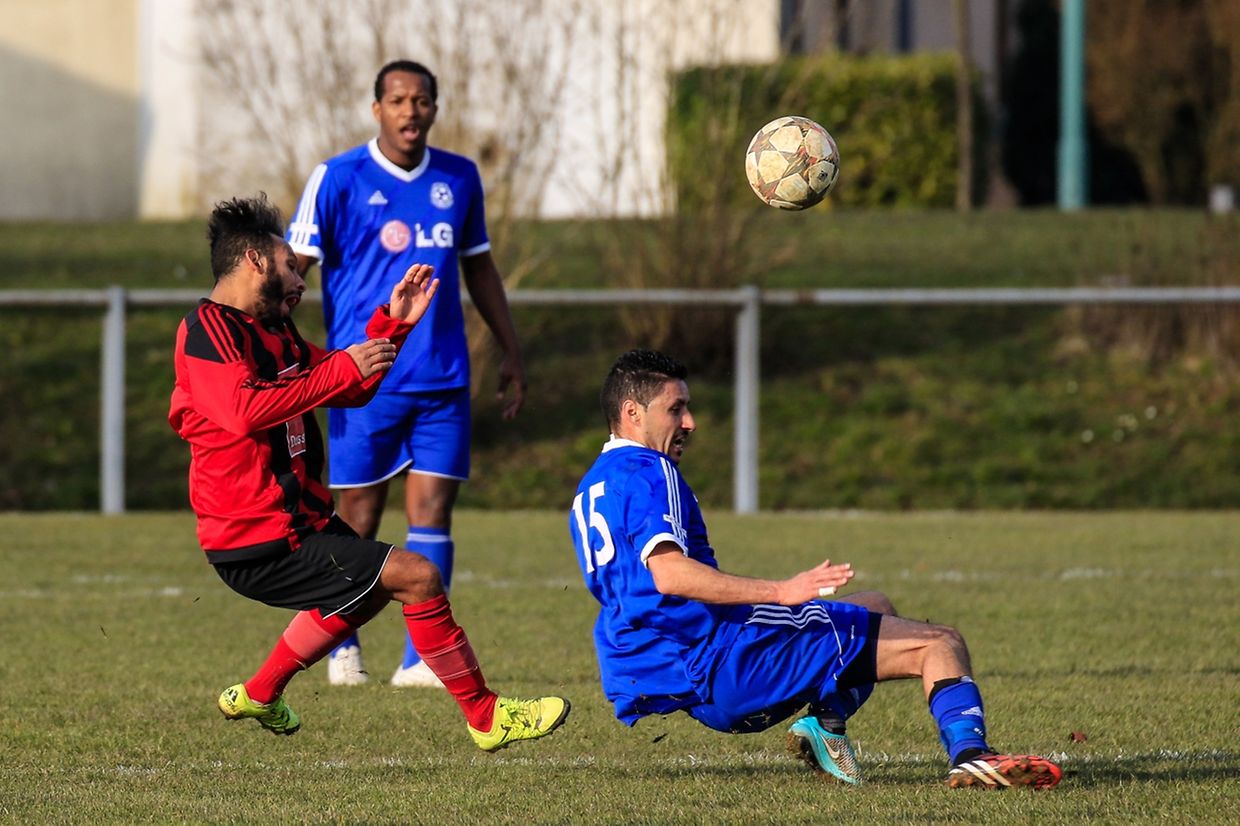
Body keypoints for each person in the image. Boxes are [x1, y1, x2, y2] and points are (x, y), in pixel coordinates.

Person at [169, 194, 568, 751]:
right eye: (290, 266)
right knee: (418, 577)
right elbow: (243, 411)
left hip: (297, 523)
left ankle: (261, 692)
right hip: (258, 536)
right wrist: (340, 369)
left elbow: (349, 386)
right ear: (255, 262)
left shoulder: (277, 333)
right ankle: (485, 716)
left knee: (370, 593)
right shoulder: (208, 330)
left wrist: (392, 327)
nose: (300, 281)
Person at [567, 349, 1061, 789]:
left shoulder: (592, 486)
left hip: (663, 672)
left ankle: (825, 726)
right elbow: (669, 574)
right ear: (632, 413)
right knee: (939, 643)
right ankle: (972, 757)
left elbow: (628, 593)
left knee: (875, 605)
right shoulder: (653, 473)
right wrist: (782, 590)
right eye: (676, 408)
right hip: (729, 663)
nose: (691, 421)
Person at [286, 59, 526, 688]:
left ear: (434, 109)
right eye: (398, 100)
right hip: (362, 378)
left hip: (442, 378)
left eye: (421, 100)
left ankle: (420, 660)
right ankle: (343, 644)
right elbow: (294, 271)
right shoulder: (336, 179)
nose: (410, 111)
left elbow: (479, 270)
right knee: (358, 520)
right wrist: (278, 349)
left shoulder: (459, 177)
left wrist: (510, 349)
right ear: (377, 109)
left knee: (432, 513)